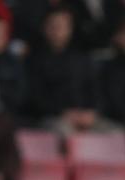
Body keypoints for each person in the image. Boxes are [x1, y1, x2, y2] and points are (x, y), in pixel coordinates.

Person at [24, 6, 108, 137]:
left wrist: (91, 112)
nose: (57, 30)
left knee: (115, 133)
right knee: (68, 135)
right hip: (51, 118)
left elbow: (95, 89)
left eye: (62, 26)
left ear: (70, 29)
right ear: (44, 28)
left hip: (85, 117)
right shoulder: (33, 60)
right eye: (53, 26)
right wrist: (63, 112)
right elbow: (35, 98)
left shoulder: (82, 58)